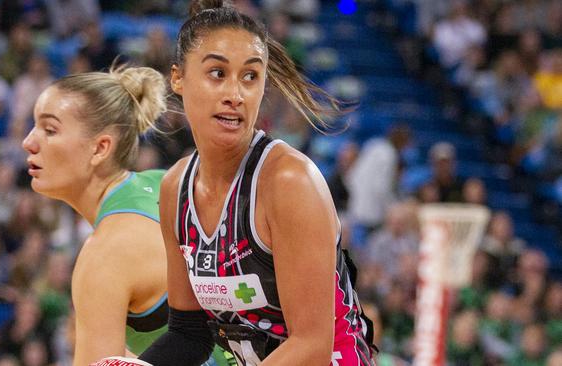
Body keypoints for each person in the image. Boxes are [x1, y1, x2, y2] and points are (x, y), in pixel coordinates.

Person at [138, 1, 375, 365]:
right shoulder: (175, 189)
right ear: (178, 78)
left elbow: (312, 346)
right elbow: (189, 334)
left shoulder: (288, 181)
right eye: (217, 73)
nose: (236, 94)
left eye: (250, 76)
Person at [22, 64, 178, 365]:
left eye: (50, 129)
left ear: (100, 148)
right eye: (34, 126)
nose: (28, 142)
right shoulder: (164, 181)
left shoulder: (104, 256)